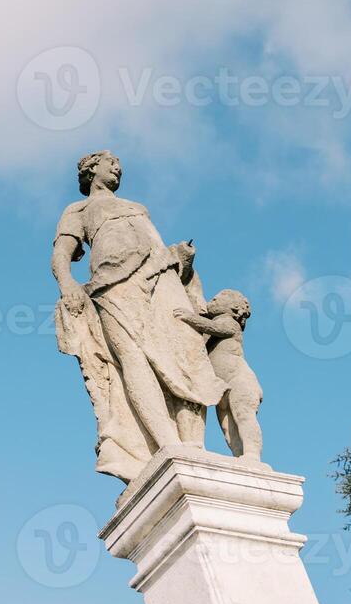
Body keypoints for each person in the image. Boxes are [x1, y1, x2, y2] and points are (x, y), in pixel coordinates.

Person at [52, 151, 226, 485]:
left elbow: (153, 241)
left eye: (118, 163)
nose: (118, 166)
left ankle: (194, 444)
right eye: (110, 161)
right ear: (91, 170)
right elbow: (60, 256)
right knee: (134, 359)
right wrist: (68, 285)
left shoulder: (138, 206)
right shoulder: (77, 211)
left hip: (161, 272)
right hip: (113, 283)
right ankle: (167, 445)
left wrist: (182, 261)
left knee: (186, 349)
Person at [175, 290, 264, 463]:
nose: (212, 301)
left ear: (234, 308)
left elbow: (216, 328)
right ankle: (240, 457)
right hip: (223, 386)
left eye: (217, 299)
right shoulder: (211, 329)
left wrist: (189, 317)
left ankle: (252, 455)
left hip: (239, 379)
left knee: (243, 416)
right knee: (228, 426)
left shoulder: (229, 322)